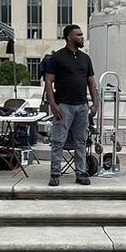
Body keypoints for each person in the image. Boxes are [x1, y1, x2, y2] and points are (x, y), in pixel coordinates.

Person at [43, 24, 99, 187]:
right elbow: (48, 81)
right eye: (78, 35)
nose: (82, 37)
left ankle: (81, 173)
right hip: (63, 106)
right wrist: (53, 104)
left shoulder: (85, 58)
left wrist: (95, 104)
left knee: (81, 141)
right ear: (69, 37)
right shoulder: (57, 57)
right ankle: (55, 174)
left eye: (82, 34)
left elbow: (91, 82)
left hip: (82, 106)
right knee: (58, 141)